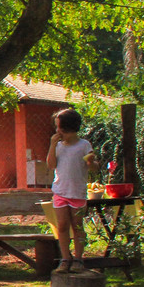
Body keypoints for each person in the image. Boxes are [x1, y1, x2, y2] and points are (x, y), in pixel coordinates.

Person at [47, 108, 97, 273]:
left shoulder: (84, 145)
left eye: (59, 127)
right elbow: (51, 165)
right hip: (60, 191)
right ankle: (65, 258)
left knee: (77, 226)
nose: (57, 131)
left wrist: (91, 163)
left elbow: (94, 167)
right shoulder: (58, 146)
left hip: (77, 193)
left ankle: (78, 259)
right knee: (62, 226)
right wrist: (52, 145)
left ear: (69, 128)